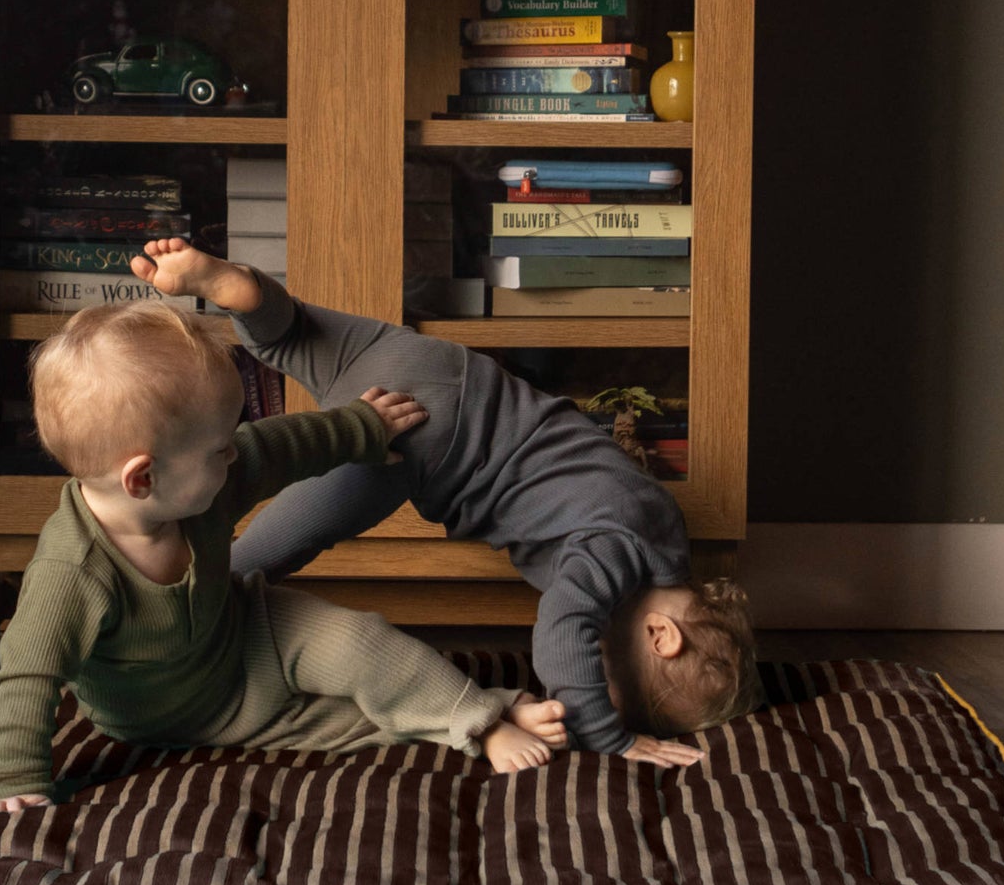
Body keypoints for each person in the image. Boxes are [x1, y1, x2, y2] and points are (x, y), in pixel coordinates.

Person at [128, 244, 757, 762]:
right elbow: (562, 633)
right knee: (259, 559)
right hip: (425, 435)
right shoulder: (615, 557)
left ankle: (238, 289)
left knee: (298, 338)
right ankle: (169, 618)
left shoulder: (664, 532)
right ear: (660, 635)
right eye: (612, 677)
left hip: (444, 370)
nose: (592, 680)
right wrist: (611, 735)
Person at [0, 301, 568, 814]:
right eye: (219, 448)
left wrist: (361, 425)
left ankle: (479, 716)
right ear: (142, 478)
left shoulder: (197, 483)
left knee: (357, 642)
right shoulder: (70, 573)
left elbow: (279, 447)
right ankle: (477, 718)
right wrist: (18, 780)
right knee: (365, 721)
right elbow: (29, 675)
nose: (234, 454)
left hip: (244, 629)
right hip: (174, 716)